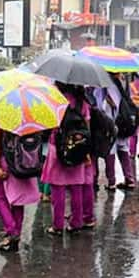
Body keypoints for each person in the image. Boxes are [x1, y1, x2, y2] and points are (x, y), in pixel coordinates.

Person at [41, 83, 91, 236]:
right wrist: (86, 151)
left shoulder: (54, 98)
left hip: (58, 147)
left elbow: (47, 123)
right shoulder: (82, 101)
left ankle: (57, 225)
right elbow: (87, 127)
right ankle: (76, 223)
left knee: (58, 188)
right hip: (78, 148)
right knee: (76, 188)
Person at [0, 128, 39, 252]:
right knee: (18, 199)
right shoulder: (28, 117)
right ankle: (15, 234)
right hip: (23, 161)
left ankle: (12, 231)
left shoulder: (2, 116)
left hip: (7, 161)